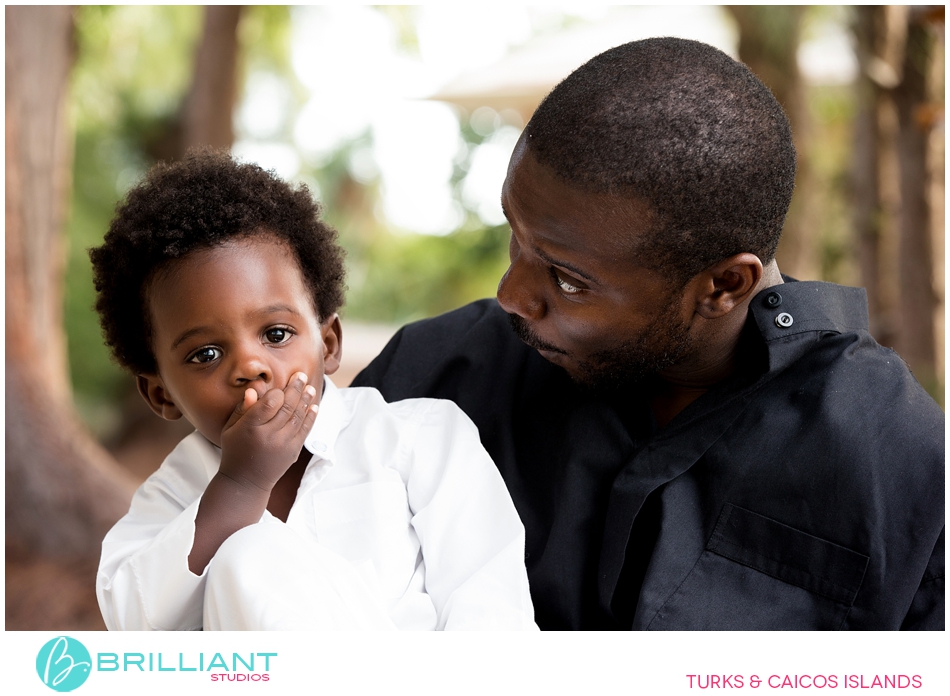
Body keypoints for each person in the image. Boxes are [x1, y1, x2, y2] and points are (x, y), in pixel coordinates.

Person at [353, 38, 945, 630]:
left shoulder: (903, 466)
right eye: (517, 235)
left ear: (723, 285)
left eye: (568, 280)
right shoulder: (430, 379)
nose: (511, 295)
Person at [92, 151, 536, 631]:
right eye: (205, 355)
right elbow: (133, 622)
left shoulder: (422, 440)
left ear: (328, 343)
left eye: (276, 334)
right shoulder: (176, 491)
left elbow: (492, 611)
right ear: (160, 395)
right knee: (247, 554)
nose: (250, 367)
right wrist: (240, 486)